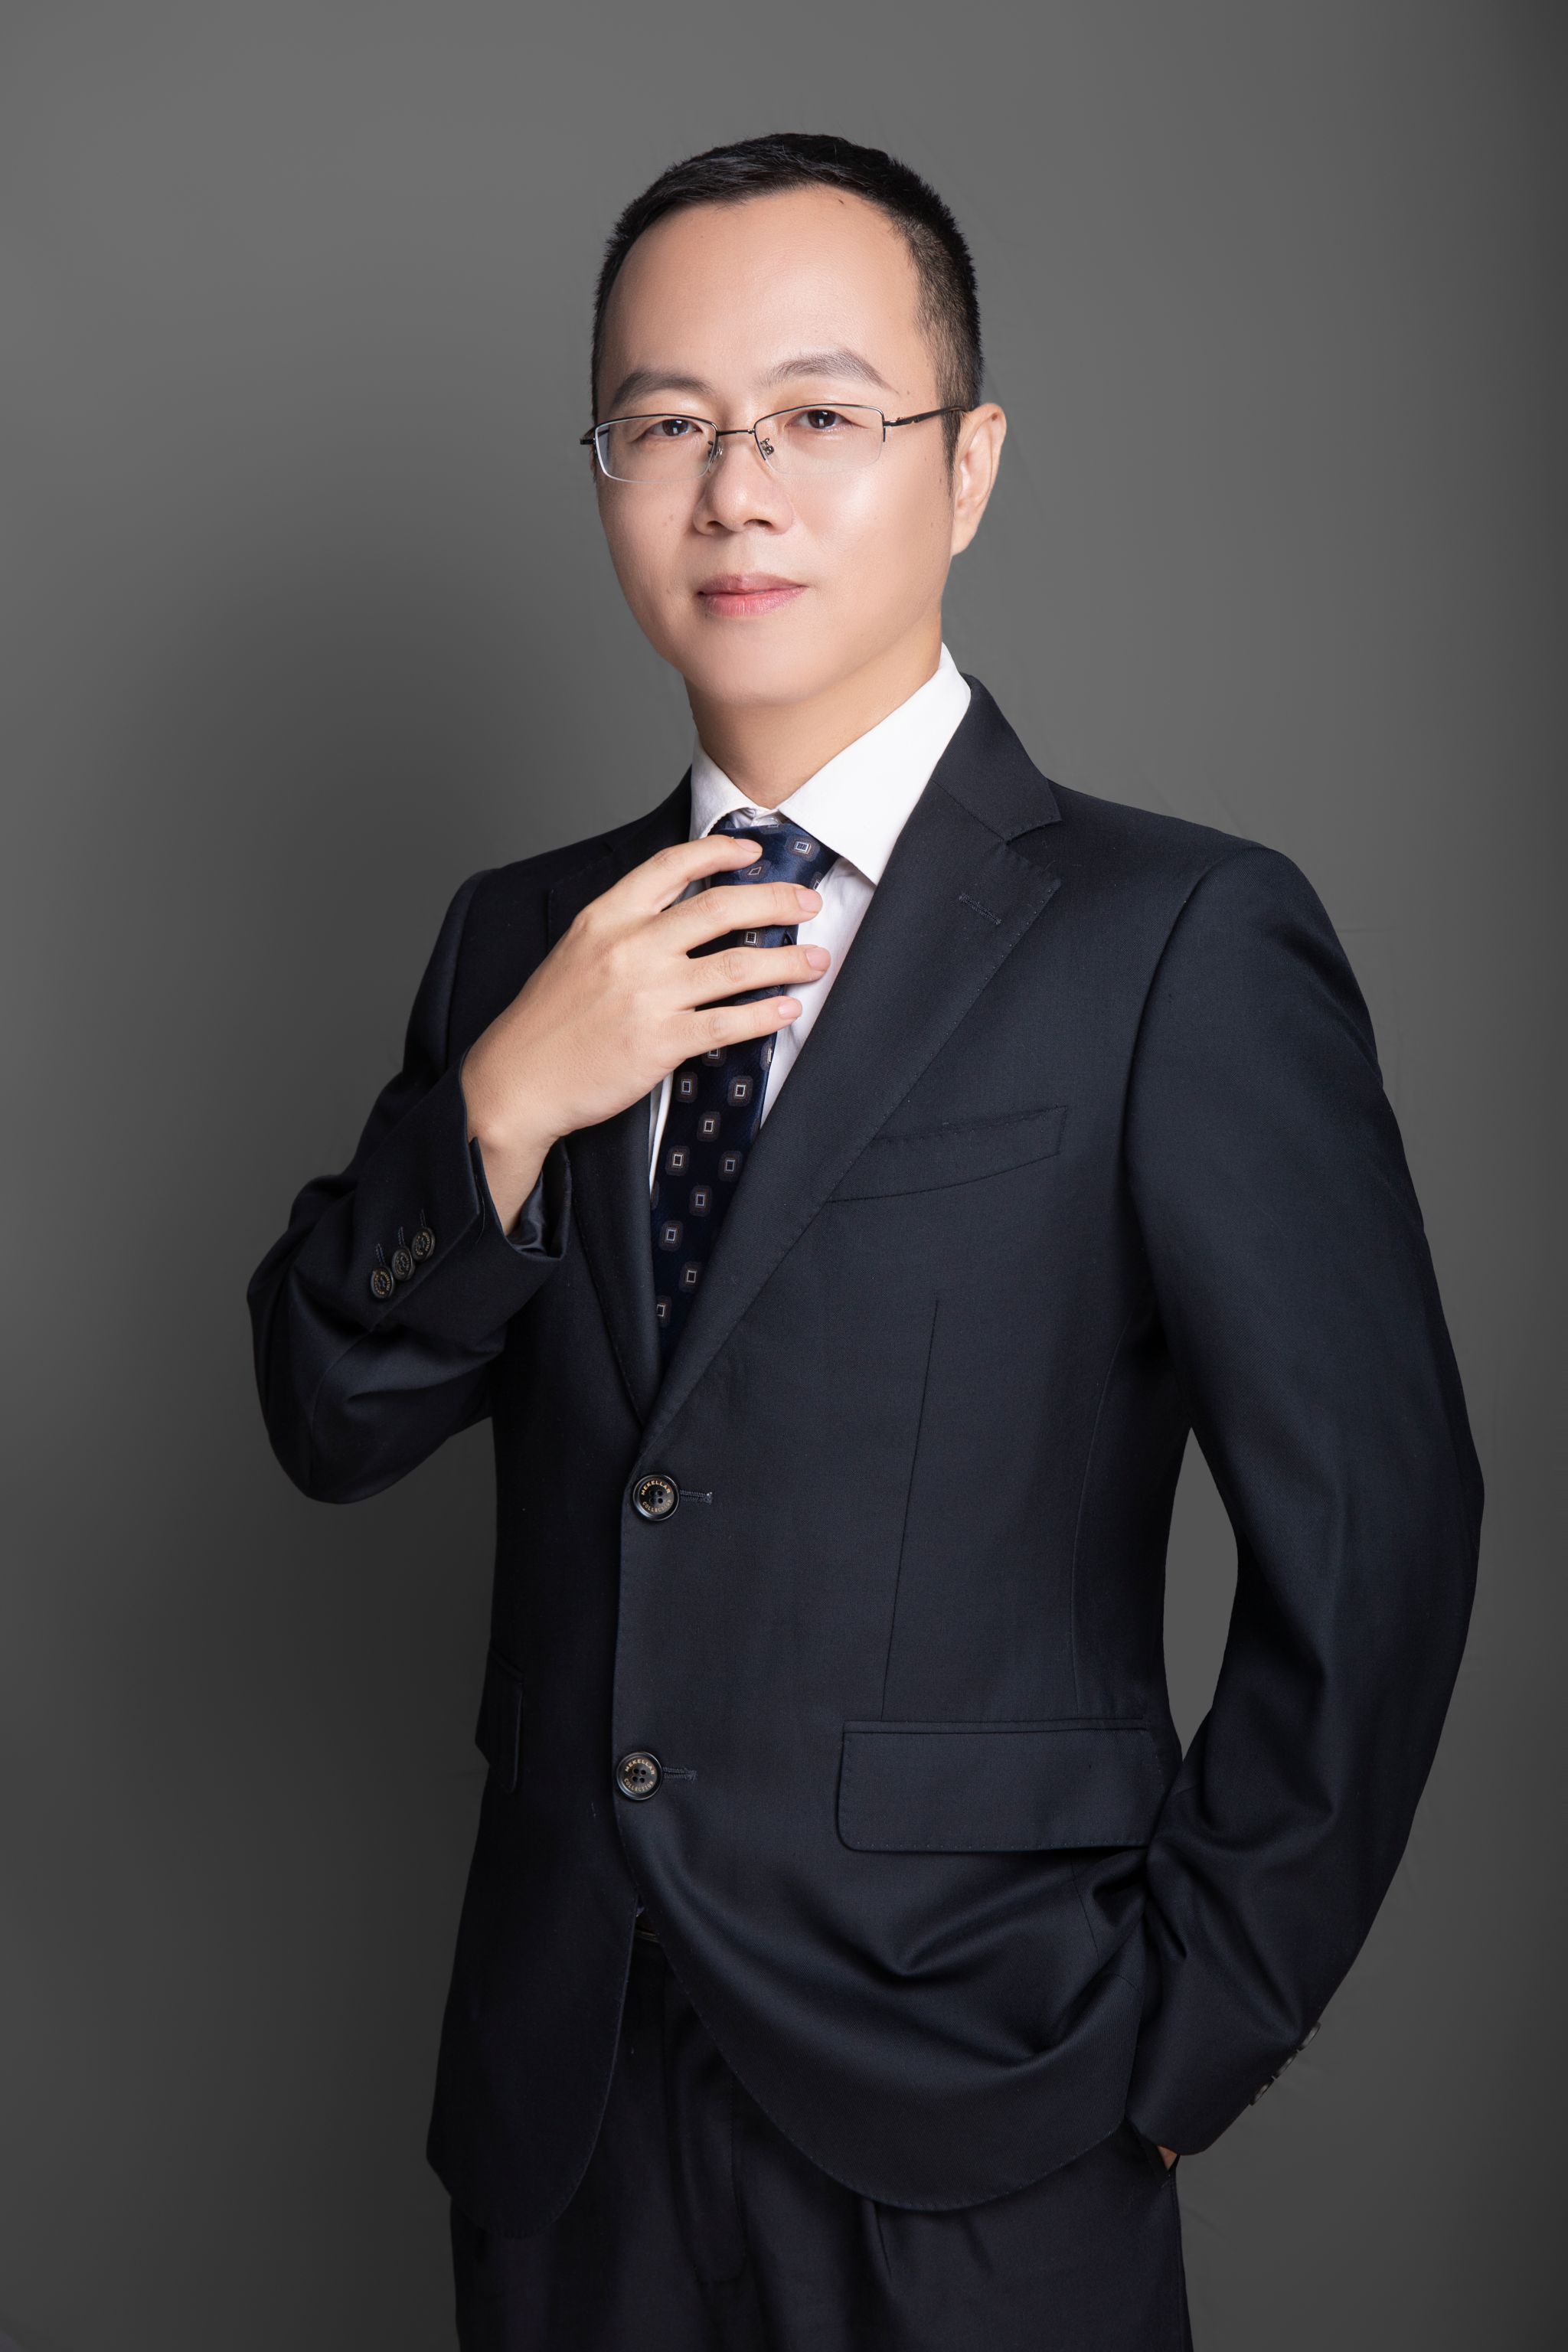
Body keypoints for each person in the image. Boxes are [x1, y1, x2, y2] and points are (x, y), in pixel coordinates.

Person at [246, 131, 1483, 2351]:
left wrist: (1184, 2044)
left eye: (818, 415)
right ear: (606, 476)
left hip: (991, 2105)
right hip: (564, 2119)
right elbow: (331, 1417)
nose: (737, 490)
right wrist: (505, 1101)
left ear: (967, 465)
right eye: (667, 425)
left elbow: (1379, 1534)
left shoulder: (1177, 939)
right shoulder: (520, 941)